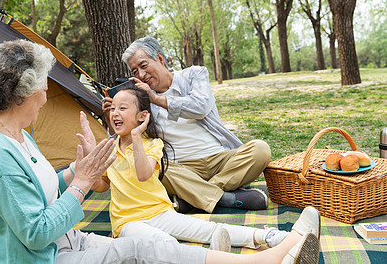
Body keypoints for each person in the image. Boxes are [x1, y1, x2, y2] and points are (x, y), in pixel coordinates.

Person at [0, 39, 318, 264]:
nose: (47, 95)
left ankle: (268, 254)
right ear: (22, 95)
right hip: (37, 256)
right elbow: (35, 232)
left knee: (155, 247)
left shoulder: (18, 133)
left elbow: (37, 189)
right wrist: (83, 182)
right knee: (148, 247)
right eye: (43, 88)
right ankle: (267, 255)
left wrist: (71, 172)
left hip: (60, 243)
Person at [93, 85, 321, 263]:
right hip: (127, 223)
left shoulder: (152, 144)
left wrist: (135, 138)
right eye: (112, 108)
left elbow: (143, 174)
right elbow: (102, 184)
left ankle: (271, 237)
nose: (115, 113)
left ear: (142, 116)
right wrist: (87, 171)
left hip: (158, 211)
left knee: (210, 229)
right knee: (163, 244)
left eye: (123, 108)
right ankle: (218, 259)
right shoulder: (108, 148)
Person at [103, 36, 270, 213]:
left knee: (260, 150)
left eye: (143, 66)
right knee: (158, 168)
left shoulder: (194, 74)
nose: (141, 75)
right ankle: (222, 197)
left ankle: (194, 198)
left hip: (219, 158)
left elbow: (201, 106)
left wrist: (157, 100)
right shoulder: (140, 98)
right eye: (135, 71)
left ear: (160, 59)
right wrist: (111, 116)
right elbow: (127, 139)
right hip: (179, 168)